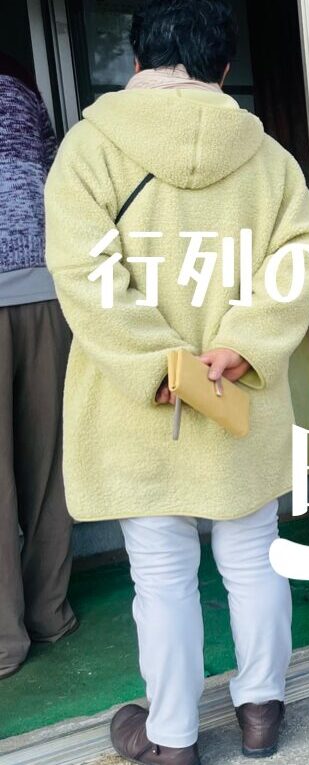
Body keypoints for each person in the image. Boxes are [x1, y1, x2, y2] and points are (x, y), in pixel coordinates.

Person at [44, 1, 309, 763]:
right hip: (237, 394)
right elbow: (300, 260)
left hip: (138, 402)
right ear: (223, 68)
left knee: (161, 574)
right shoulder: (268, 157)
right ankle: (261, 708)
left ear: (136, 60)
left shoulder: (90, 148)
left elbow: (84, 275)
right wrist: (239, 344)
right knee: (254, 554)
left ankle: (171, 738)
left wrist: (157, 363)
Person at [0, 54, 78, 681]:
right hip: (44, 290)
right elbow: (56, 180)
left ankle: (4, 640)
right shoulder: (21, 92)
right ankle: (48, 612)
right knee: (49, 464)